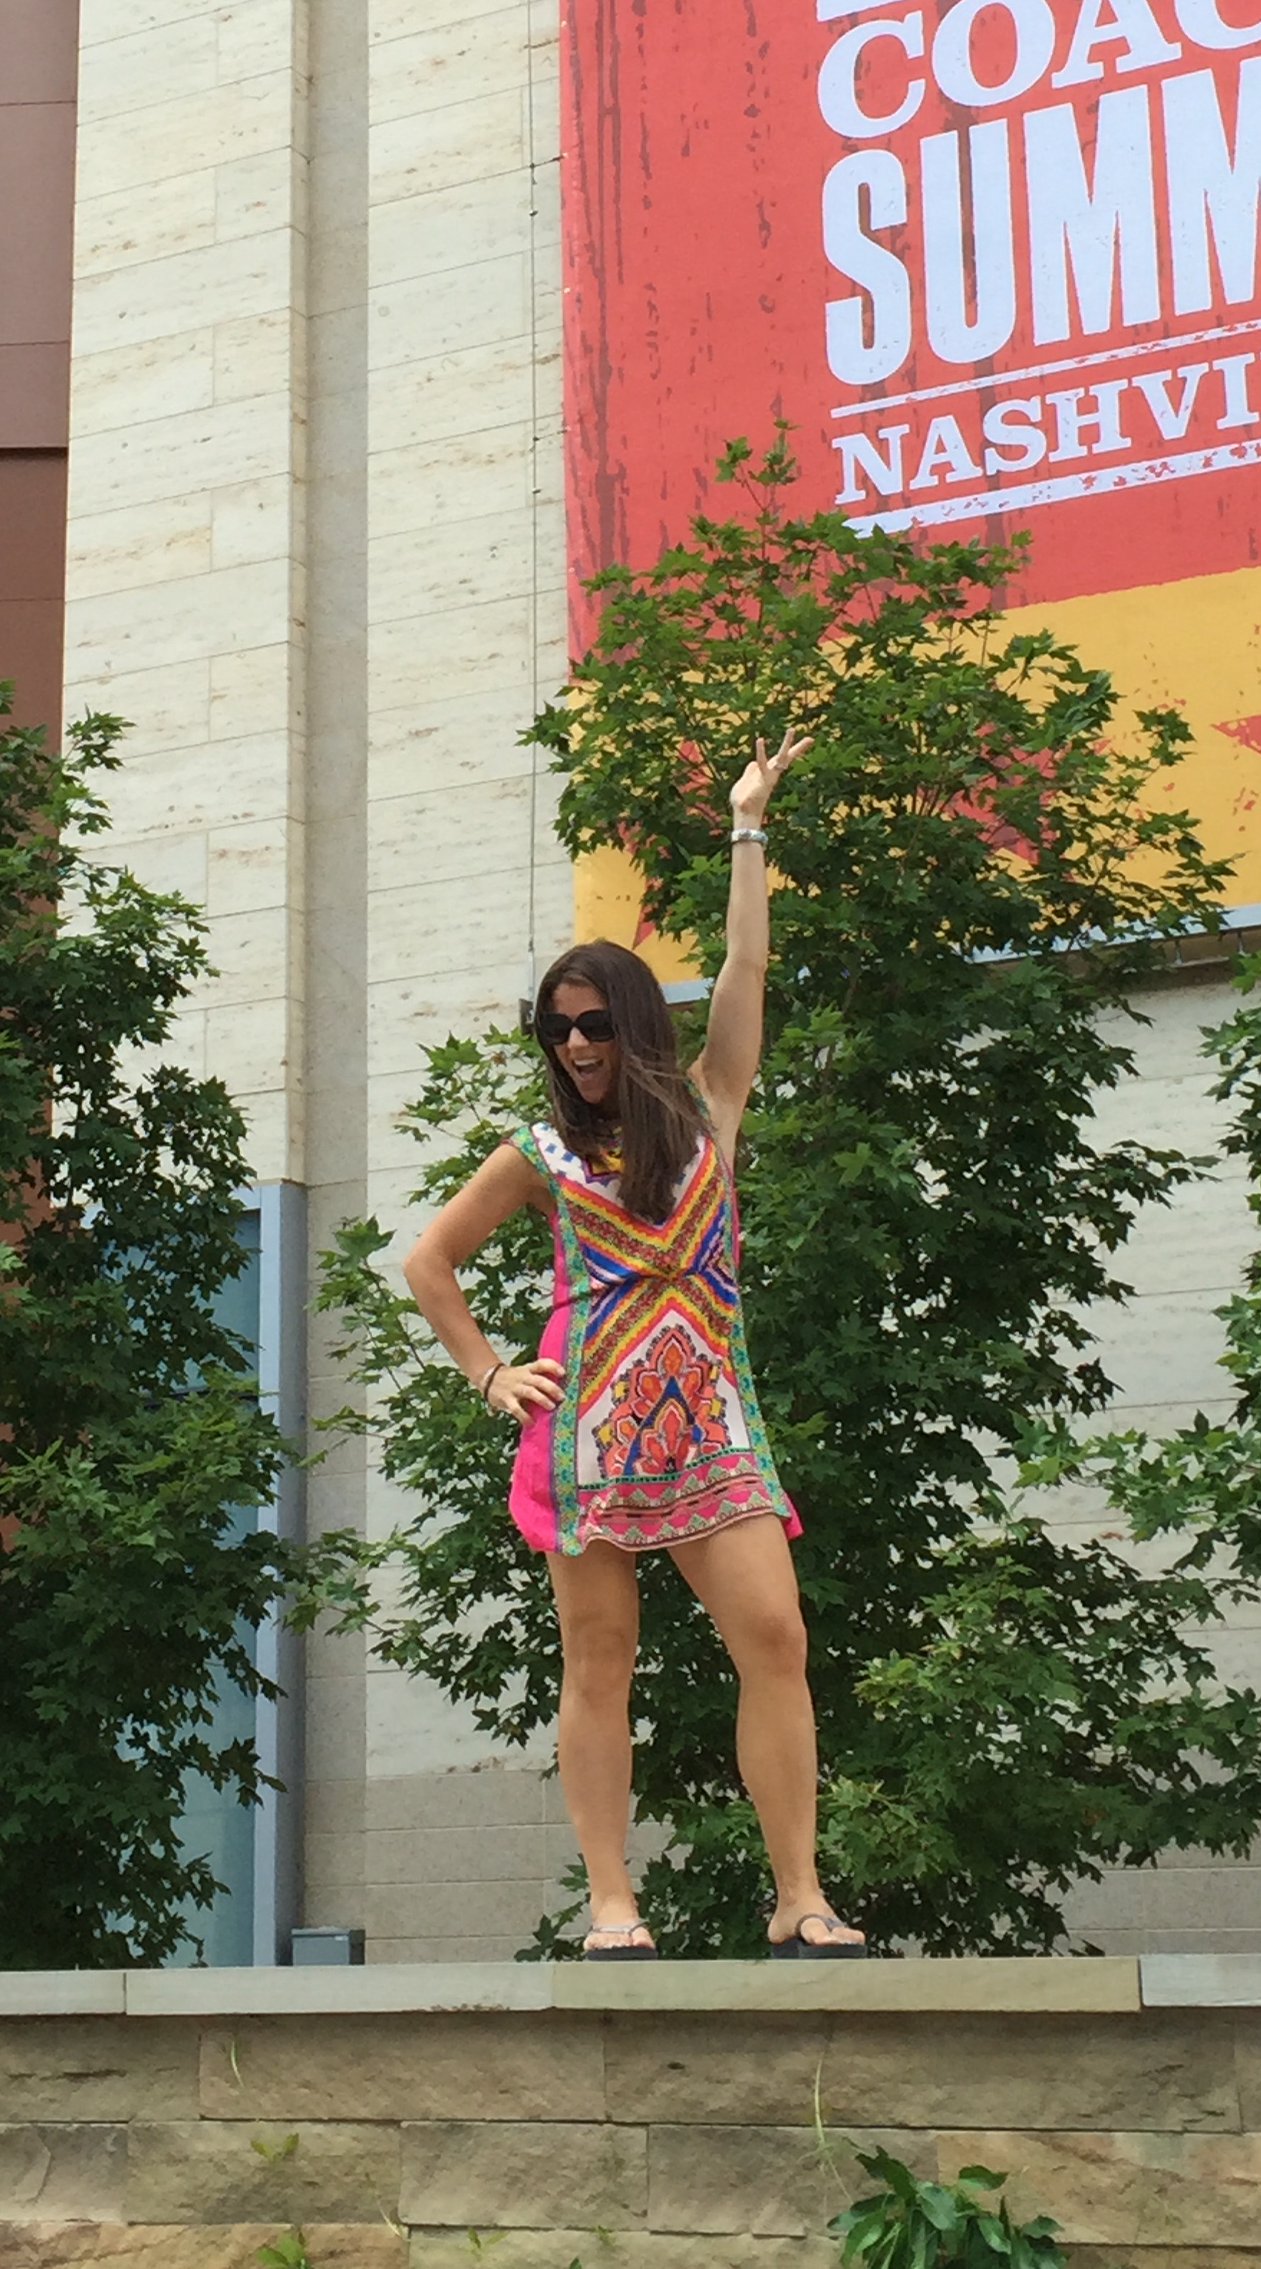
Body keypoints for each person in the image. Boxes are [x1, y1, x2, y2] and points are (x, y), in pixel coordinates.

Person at [402, 734, 867, 1959]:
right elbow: (428, 1263)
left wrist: (748, 826)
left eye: (596, 1021)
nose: (576, 1044)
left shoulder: (711, 1103)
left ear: (636, 1020)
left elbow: (746, 964)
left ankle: (799, 1897)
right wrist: (491, 1372)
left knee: (776, 1639)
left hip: (711, 1421)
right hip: (588, 1432)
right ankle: (613, 1903)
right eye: (556, 1029)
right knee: (600, 1661)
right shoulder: (539, 1153)